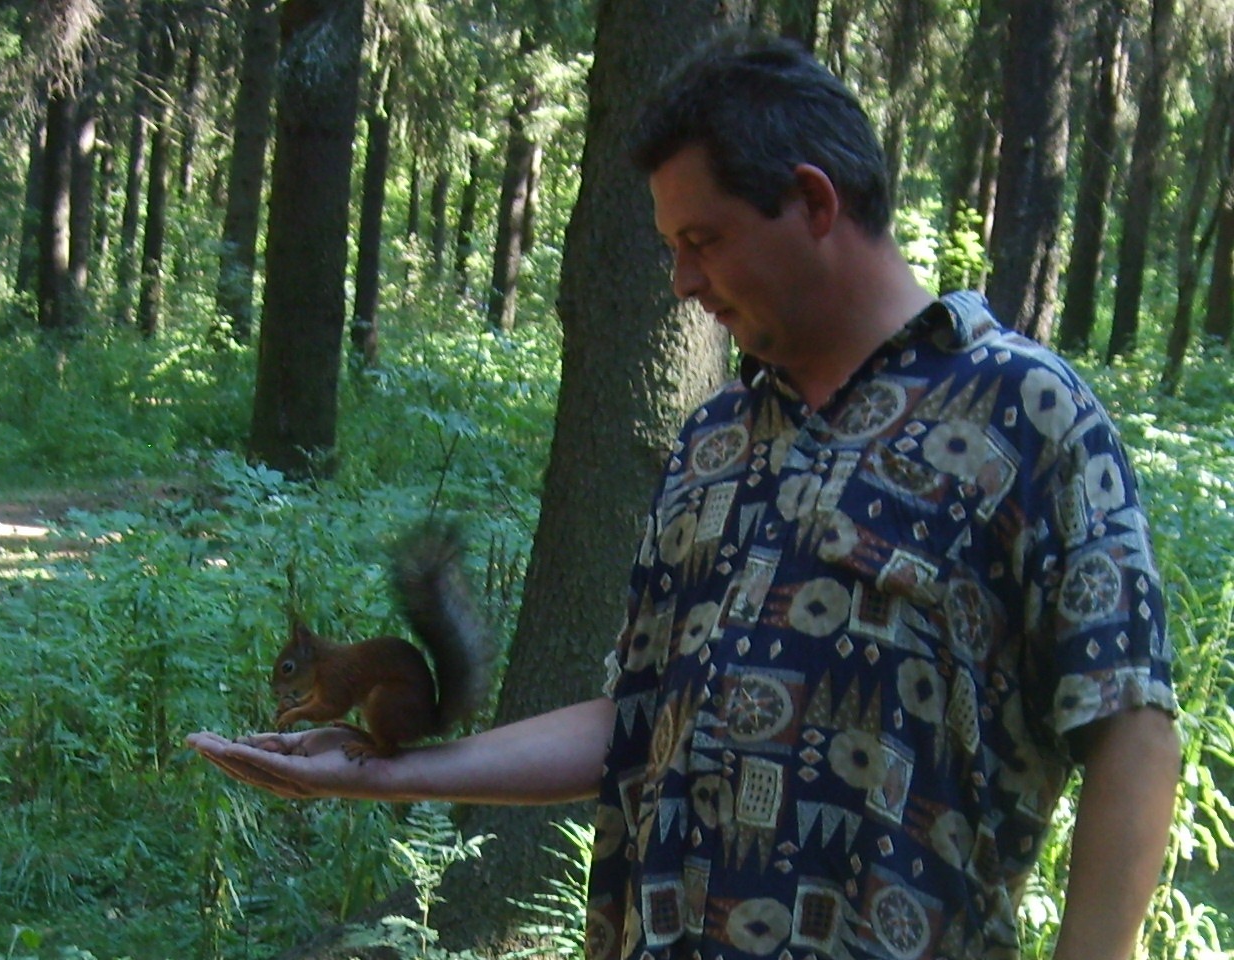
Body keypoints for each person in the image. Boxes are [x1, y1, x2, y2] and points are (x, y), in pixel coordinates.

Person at [189, 31, 1180, 960]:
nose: (680, 282)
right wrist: (379, 770)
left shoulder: (1023, 415)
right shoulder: (715, 441)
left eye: (702, 240)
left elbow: (1131, 732)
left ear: (813, 202)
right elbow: (635, 719)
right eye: (671, 246)